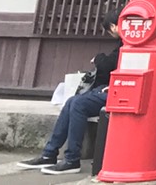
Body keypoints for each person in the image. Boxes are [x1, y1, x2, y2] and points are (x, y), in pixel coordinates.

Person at [19, 12, 122, 175]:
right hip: (112, 88)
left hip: (121, 92)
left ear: (113, 27)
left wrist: (99, 59)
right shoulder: (124, 43)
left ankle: (72, 159)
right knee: (71, 101)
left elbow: (109, 64)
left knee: (78, 104)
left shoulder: (130, 44)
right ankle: (49, 154)